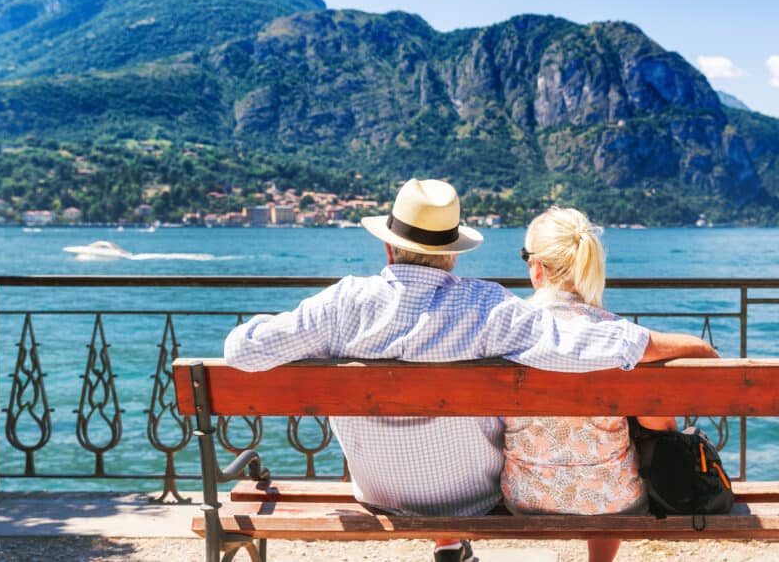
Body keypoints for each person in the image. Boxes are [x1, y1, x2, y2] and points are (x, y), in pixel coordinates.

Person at [222, 179, 717, 562]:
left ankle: (449, 546)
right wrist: (680, 343)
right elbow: (576, 342)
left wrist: (304, 326)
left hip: (374, 491)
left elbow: (240, 351)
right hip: (472, 497)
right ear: (453, 253)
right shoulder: (484, 305)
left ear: (388, 247)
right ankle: (451, 538)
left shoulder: (341, 302)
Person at [502, 207, 684, 562]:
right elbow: (661, 424)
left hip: (524, 497)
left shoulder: (505, 329)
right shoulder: (619, 336)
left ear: (537, 267)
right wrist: (705, 348)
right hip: (613, 501)